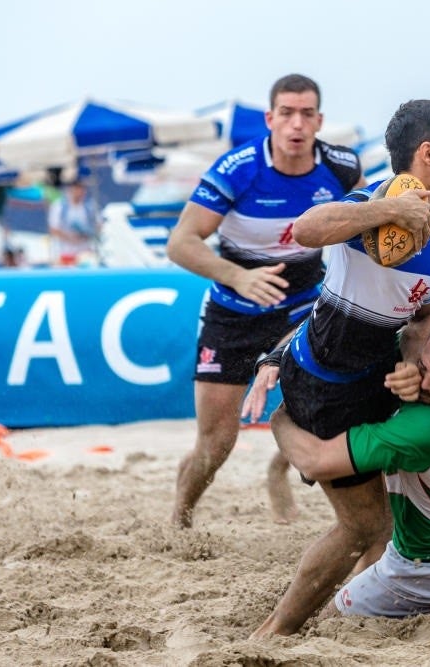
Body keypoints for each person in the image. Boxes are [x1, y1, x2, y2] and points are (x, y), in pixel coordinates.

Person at [239, 98, 430, 635]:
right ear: (427, 153)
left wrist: (414, 364)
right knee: (365, 527)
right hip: (326, 385)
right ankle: (277, 632)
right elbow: (305, 228)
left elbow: (423, 316)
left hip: (372, 380)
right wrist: (387, 211)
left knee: (391, 521)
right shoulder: (372, 205)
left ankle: (349, 617)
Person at [168, 73, 375, 528]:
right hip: (233, 311)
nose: (296, 124)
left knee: (324, 409)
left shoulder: (341, 168)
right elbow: (180, 242)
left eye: (306, 114)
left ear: (319, 121)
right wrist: (238, 276)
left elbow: (368, 228)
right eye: (286, 113)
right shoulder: (237, 168)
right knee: (216, 443)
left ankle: (279, 470)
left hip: (305, 307)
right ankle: (179, 520)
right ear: (270, 118)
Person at [252, 309, 430, 633]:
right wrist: (276, 357)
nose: (425, 382)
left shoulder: (426, 428)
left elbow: (314, 462)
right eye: (424, 367)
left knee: (330, 625)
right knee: (383, 527)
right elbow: (328, 322)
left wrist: (280, 418)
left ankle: (276, 629)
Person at [47, 179, 99, 265]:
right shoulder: (59, 206)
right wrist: (70, 238)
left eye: (82, 189)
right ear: (71, 190)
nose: (80, 192)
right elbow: (53, 229)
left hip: (85, 252)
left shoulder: (90, 207)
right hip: (65, 252)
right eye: (77, 189)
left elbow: (98, 226)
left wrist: (88, 234)